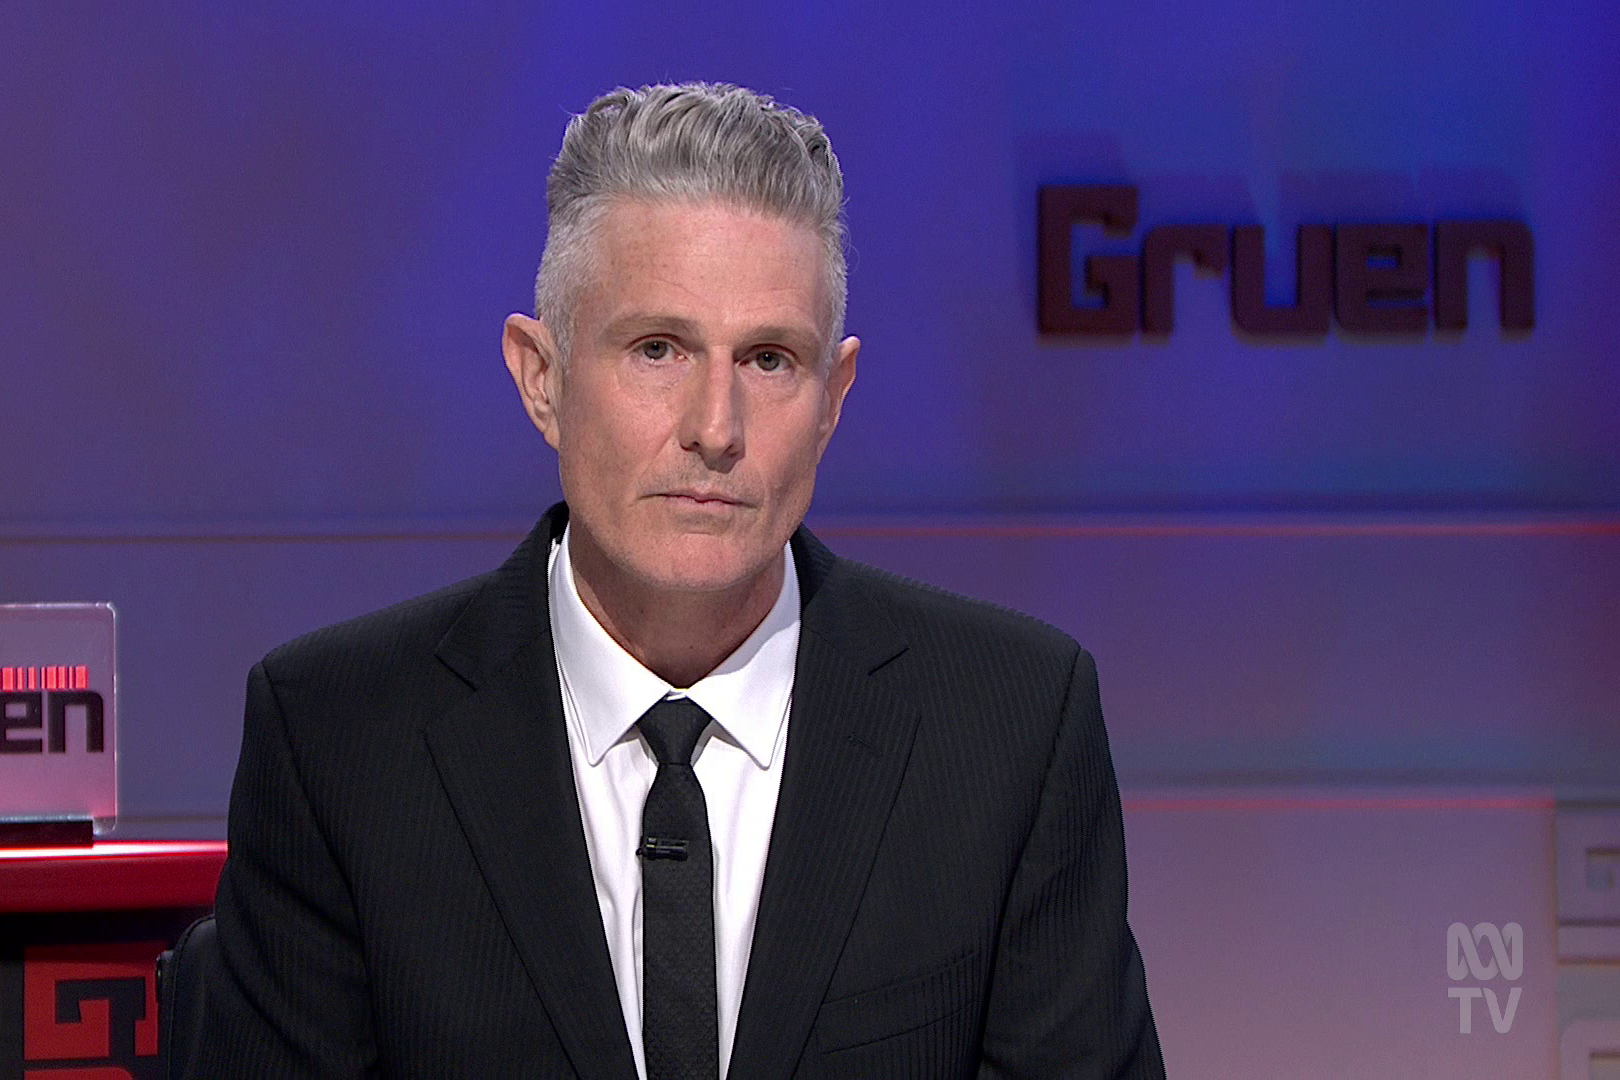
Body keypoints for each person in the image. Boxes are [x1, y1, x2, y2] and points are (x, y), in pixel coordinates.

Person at [189, 82, 1165, 1079]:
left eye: (770, 360)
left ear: (833, 399)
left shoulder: (1011, 730)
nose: (715, 427)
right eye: (657, 349)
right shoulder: (339, 739)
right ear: (541, 377)